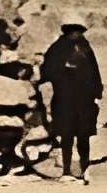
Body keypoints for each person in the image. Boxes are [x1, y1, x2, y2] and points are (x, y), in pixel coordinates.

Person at [39, 16, 103, 181]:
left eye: (79, 31)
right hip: (64, 98)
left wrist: (97, 93)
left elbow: (94, 72)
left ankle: (84, 167)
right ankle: (66, 170)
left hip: (84, 99)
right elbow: (46, 71)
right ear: (67, 32)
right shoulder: (57, 48)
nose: (77, 34)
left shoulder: (86, 48)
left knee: (84, 135)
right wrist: (65, 69)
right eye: (74, 31)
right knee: (66, 135)